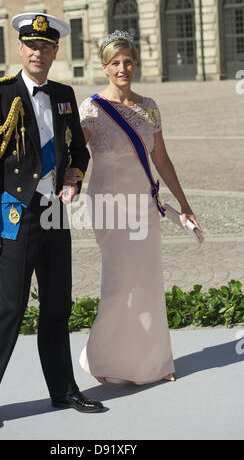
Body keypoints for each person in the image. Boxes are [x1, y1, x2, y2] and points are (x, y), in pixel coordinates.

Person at [0, 12, 105, 430]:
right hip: (14, 212)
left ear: (55, 51)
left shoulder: (64, 94)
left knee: (58, 305)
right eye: (31, 46)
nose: (38, 53)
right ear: (20, 49)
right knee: (10, 305)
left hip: (53, 212)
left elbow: (78, 150)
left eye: (46, 47)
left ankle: (62, 389)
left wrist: (74, 176)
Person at [77, 30, 202, 385]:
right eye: (115, 62)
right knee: (119, 281)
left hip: (144, 204)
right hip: (109, 204)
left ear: (135, 63)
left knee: (147, 279)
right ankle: (103, 360)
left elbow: (160, 157)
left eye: (128, 61)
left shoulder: (149, 106)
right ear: (105, 66)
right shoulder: (91, 109)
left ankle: (153, 363)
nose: (123, 68)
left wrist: (184, 202)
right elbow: (72, 155)